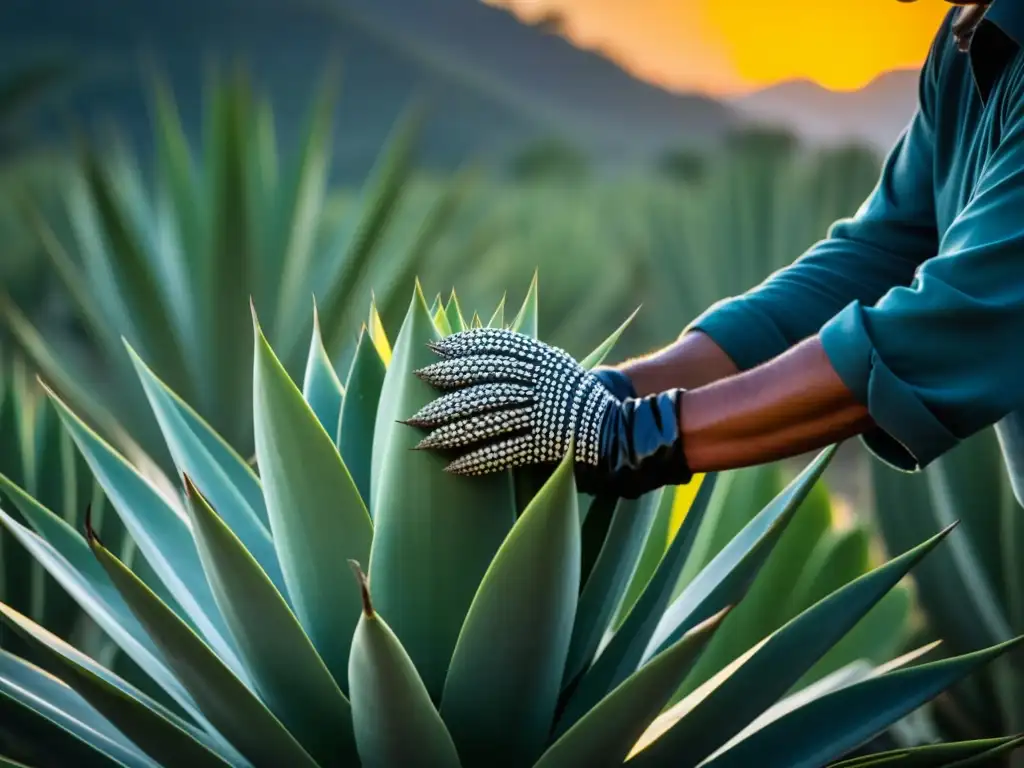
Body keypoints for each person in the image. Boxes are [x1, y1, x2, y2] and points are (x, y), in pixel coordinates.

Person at [407, 0, 1024, 502]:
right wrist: (619, 391)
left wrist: (635, 437)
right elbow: (880, 253)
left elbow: (956, 320)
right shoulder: (968, 38)